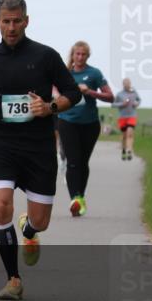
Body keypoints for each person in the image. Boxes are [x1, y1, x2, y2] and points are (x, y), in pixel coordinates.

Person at [0, 0, 81, 300]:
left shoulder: (45, 56)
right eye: (6, 21)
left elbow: (72, 93)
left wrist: (51, 106)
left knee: (41, 220)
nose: (11, 27)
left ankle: (29, 230)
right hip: (2, 143)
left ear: (26, 21)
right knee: (1, 204)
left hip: (39, 147)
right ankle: (13, 278)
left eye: (17, 21)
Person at [56, 41, 114, 216]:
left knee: (83, 162)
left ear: (88, 56)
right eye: (77, 54)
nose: (80, 57)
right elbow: (53, 94)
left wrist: (90, 92)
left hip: (90, 124)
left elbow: (110, 97)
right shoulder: (64, 73)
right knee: (73, 162)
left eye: (83, 54)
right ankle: (75, 199)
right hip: (67, 122)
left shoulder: (94, 73)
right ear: (72, 55)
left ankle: (80, 196)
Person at [113, 78, 141, 160]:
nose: (127, 85)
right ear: (123, 85)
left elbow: (138, 100)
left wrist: (136, 103)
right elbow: (113, 104)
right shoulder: (119, 94)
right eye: (125, 83)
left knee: (130, 132)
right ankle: (124, 150)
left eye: (128, 83)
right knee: (124, 135)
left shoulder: (134, 92)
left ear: (130, 84)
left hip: (132, 116)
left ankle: (129, 150)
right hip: (122, 117)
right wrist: (122, 104)